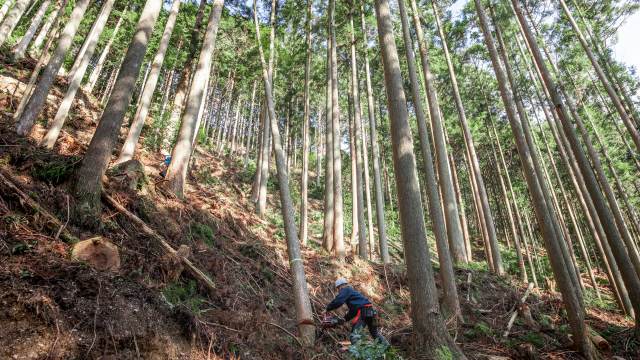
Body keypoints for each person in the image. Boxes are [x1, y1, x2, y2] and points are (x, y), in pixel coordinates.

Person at [325, 277, 389, 347]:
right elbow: (353, 310)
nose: (339, 290)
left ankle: (359, 354)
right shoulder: (353, 294)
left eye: (338, 288)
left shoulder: (346, 289)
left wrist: (328, 308)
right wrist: (345, 319)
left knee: (354, 336)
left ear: (341, 286)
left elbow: (339, 301)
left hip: (364, 312)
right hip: (372, 312)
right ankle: (388, 349)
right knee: (375, 333)